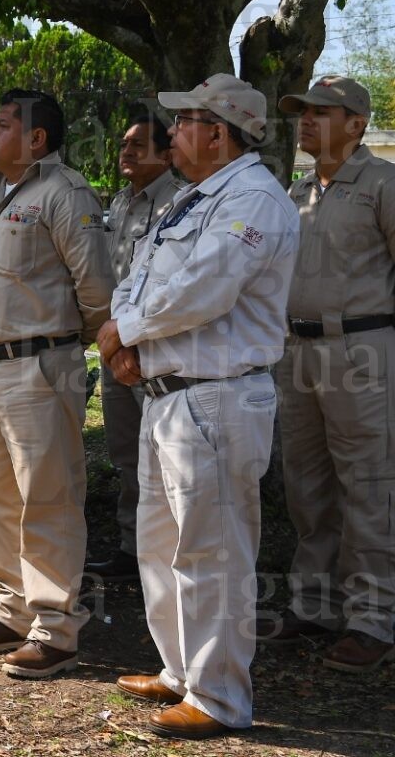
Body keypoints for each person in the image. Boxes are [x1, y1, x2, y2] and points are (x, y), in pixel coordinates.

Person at [99, 73, 297, 739]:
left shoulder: (256, 200)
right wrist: (125, 339)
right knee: (163, 542)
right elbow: (139, 279)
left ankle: (219, 696)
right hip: (165, 393)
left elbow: (205, 287)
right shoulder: (191, 199)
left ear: (218, 133)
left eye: (186, 123)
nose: (174, 132)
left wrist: (125, 333)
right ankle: (181, 669)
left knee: (211, 549)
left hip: (215, 395)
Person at [0, 89, 113, 678]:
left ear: (36, 139)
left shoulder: (65, 194)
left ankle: (56, 627)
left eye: (0, 124)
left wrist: (66, 348)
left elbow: (97, 290)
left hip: (41, 364)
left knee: (47, 495)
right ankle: (13, 609)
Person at [266, 75, 395, 673]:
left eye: (322, 112)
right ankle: (314, 603)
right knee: (307, 484)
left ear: (357, 123)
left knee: (368, 483)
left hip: (362, 349)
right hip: (298, 351)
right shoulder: (297, 192)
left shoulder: (384, 184)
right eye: (302, 113)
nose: (307, 121)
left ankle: (372, 618)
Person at [85, 116, 183, 581]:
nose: (125, 151)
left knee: (161, 455)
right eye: (124, 142)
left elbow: (170, 285)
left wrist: (133, 338)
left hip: (152, 348)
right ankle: (132, 546)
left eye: (138, 144)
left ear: (166, 155)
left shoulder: (179, 203)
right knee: (125, 450)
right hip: (113, 344)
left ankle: (165, 557)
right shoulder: (122, 201)